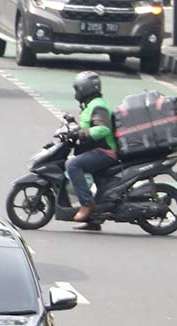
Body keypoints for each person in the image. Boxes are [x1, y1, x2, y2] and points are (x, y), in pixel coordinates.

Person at [65, 71, 118, 229]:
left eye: (78, 89)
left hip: (106, 152)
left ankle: (86, 204)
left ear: (84, 89)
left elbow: (103, 129)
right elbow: (87, 124)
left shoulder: (98, 106)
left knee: (73, 165)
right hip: (98, 150)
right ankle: (94, 220)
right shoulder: (91, 105)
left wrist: (83, 133)